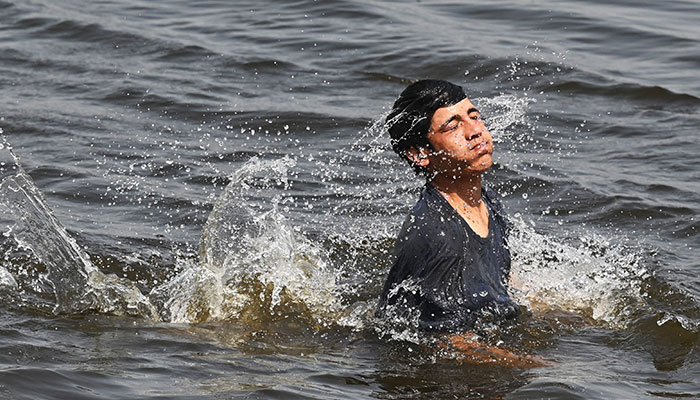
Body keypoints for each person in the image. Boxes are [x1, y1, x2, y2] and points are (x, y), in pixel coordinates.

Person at [377, 80, 542, 367]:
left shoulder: (484, 199)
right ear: (420, 154)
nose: (475, 131)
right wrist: (538, 367)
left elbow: (500, 278)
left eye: (474, 116)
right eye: (452, 126)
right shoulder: (438, 234)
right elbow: (444, 340)